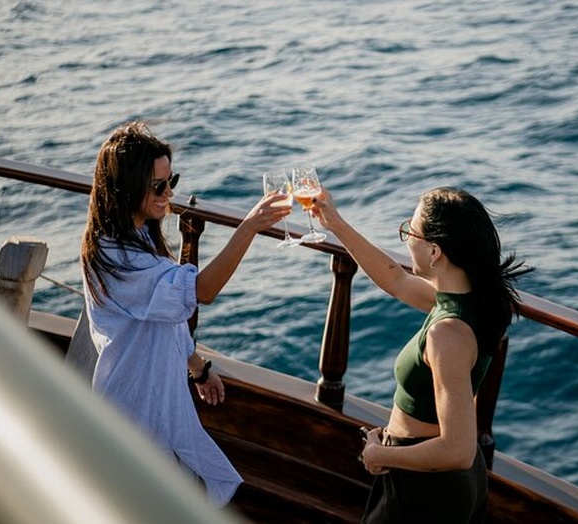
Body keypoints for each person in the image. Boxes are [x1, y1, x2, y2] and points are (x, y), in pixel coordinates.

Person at [80, 121, 290, 507]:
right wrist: (249, 227)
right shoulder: (116, 258)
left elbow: (165, 315)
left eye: (170, 180)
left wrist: (195, 365)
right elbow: (201, 292)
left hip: (155, 396)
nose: (169, 193)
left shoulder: (138, 233)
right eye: (158, 186)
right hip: (132, 409)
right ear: (128, 187)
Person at [311, 186, 532, 523]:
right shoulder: (467, 301)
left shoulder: (448, 334)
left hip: (425, 487)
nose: (406, 240)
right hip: (433, 478)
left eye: (408, 232)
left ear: (435, 251)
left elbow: (457, 450)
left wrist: (379, 454)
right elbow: (395, 279)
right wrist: (335, 224)